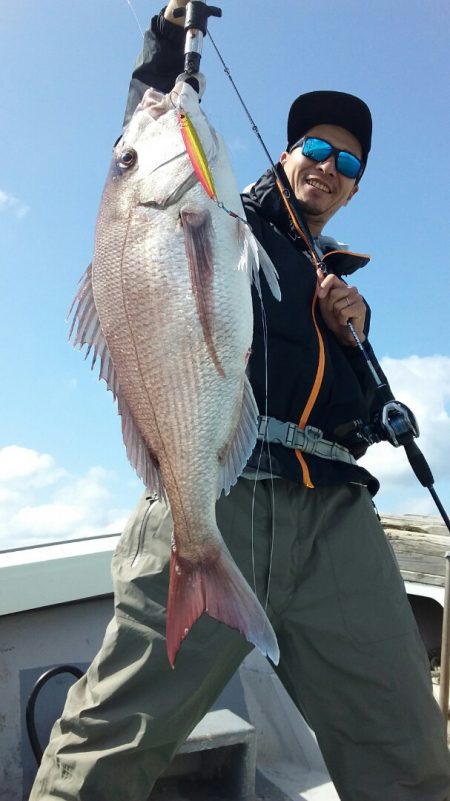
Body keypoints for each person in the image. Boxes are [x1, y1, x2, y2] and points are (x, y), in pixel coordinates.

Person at [30, 3, 450, 800]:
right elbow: (147, 142)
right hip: (221, 493)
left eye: (349, 164)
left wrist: (355, 333)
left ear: (355, 189)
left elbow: (359, 419)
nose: (329, 166)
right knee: (111, 744)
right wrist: (164, 44)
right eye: (317, 148)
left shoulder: (333, 279)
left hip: (336, 519)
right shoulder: (223, 213)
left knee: (408, 747)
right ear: (288, 154)